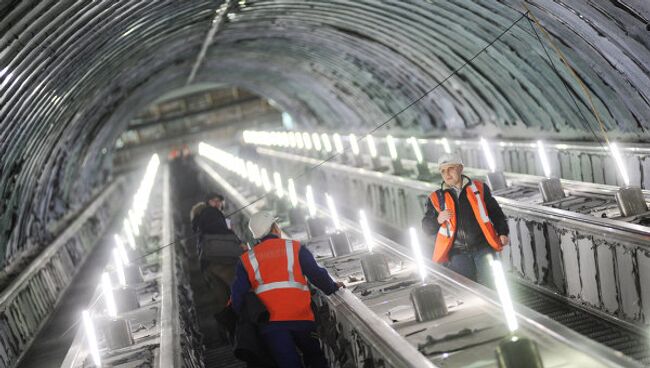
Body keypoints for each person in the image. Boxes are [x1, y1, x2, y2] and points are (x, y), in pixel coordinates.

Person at [231, 212, 345, 368]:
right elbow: (315, 274)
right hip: (301, 317)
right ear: (275, 228)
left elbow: (237, 298)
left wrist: (252, 321)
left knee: (288, 364)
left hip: (271, 325)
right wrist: (332, 287)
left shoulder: (246, 260)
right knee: (315, 358)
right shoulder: (294, 248)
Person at [421, 153, 509, 286]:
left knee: (493, 284)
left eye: (450, 168)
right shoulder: (436, 198)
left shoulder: (479, 189)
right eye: (443, 171)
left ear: (460, 169)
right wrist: (438, 220)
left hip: (483, 248)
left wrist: (502, 232)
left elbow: (496, 212)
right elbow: (426, 227)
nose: (447, 174)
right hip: (457, 253)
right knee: (466, 289)